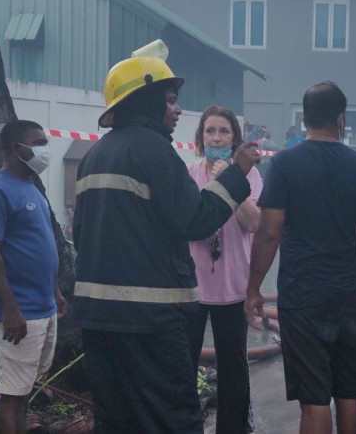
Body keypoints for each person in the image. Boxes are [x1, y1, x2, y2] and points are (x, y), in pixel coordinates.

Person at [73, 41, 261, 433]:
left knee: (118, 419)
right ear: (146, 101)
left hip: (98, 319)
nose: (177, 110)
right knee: (170, 418)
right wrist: (236, 173)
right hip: (150, 321)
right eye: (171, 100)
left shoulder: (94, 155)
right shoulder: (155, 152)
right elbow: (196, 220)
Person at [245, 81, 356, 434]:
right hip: (351, 293)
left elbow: (269, 232)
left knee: (315, 399)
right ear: (341, 119)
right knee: (348, 393)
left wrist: (254, 288)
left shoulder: (285, 163)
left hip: (304, 295)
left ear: (305, 119)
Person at [0, 120, 66, 434]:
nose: (45, 150)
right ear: (16, 148)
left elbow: (39, 245)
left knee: (24, 390)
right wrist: (9, 308)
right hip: (18, 312)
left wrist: (55, 291)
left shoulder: (31, 186)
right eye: (38, 143)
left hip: (43, 307)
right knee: (12, 394)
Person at [187, 106, 263, 434]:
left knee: (233, 368)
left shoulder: (249, 175)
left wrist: (228, 181)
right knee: (184, 364)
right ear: (201, 138)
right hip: (192, 287)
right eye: (210, 131)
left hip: (233, 287)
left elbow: (253, 223)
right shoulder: (188, 174)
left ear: (234, 140)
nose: (216, 138)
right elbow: (185, 223)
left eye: (223, 131)